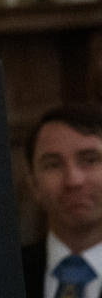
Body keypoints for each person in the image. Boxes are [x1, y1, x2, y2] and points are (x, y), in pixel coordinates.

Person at [23, 104, 102, 297]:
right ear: (33, 184)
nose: (73, 181)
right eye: (53, 165)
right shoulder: (2, 270)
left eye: (90, 160)